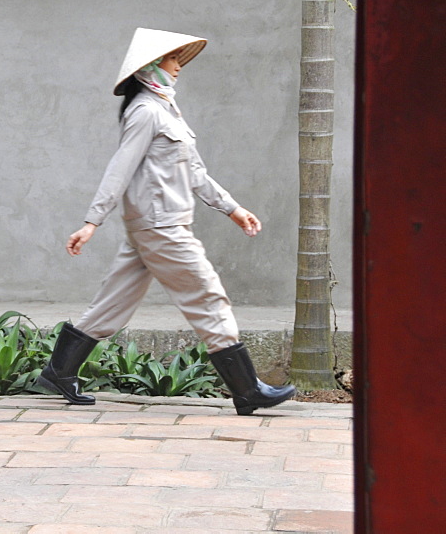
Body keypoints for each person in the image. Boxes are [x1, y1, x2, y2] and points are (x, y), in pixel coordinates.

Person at [36, 27, 295, 416]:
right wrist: (92, 222)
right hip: (162, 228)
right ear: (151, 67)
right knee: (209, 297)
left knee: (112, 303)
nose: (178, 68)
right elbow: (119, 170)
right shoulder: (145, 111)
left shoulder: (165, 109)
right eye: (172, 60)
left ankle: (59, 371)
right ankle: (247, 390)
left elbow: (193, 171)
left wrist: (232, 208)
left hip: (151, 226)